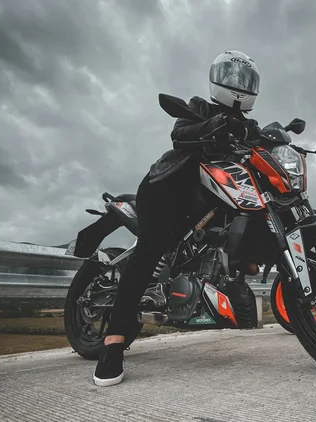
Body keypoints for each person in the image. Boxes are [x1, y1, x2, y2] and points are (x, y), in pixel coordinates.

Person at [93, 50, 262, 387]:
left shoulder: (249, 126)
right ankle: (114, 343)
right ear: (218, 79)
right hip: (168, 185)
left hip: (211, 199)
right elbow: (180, 133)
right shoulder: (199, 107)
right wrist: (214, 123)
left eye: (246, 80)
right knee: (151, 246)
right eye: (233, 78)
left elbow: (260, 147)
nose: (239, 86)